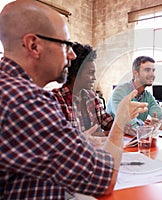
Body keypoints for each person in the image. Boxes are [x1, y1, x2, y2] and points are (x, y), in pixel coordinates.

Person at [0, 1, 148, 199]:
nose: (71, 55)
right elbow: (103, 180)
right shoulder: (28, 102)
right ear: (33, 45)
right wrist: (120, 121)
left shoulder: (11, 90)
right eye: (65, 44)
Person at [52, 42, 113, 134]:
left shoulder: (91, 95)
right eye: (90, 73)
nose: (94, 78)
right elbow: (65, 137)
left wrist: (122, 118)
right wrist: (101, 134)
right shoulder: (57, 99)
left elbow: (107, 121)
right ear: (75, 73)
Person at [106, 56, 162, 135]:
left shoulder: (148, 96)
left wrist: (157, 126)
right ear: (135, 72)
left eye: (153, 70)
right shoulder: (119, 92)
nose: (152, 74)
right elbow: (127, 123)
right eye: (147, 70)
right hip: (114, 139)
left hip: (136, 140)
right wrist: (148, 128)